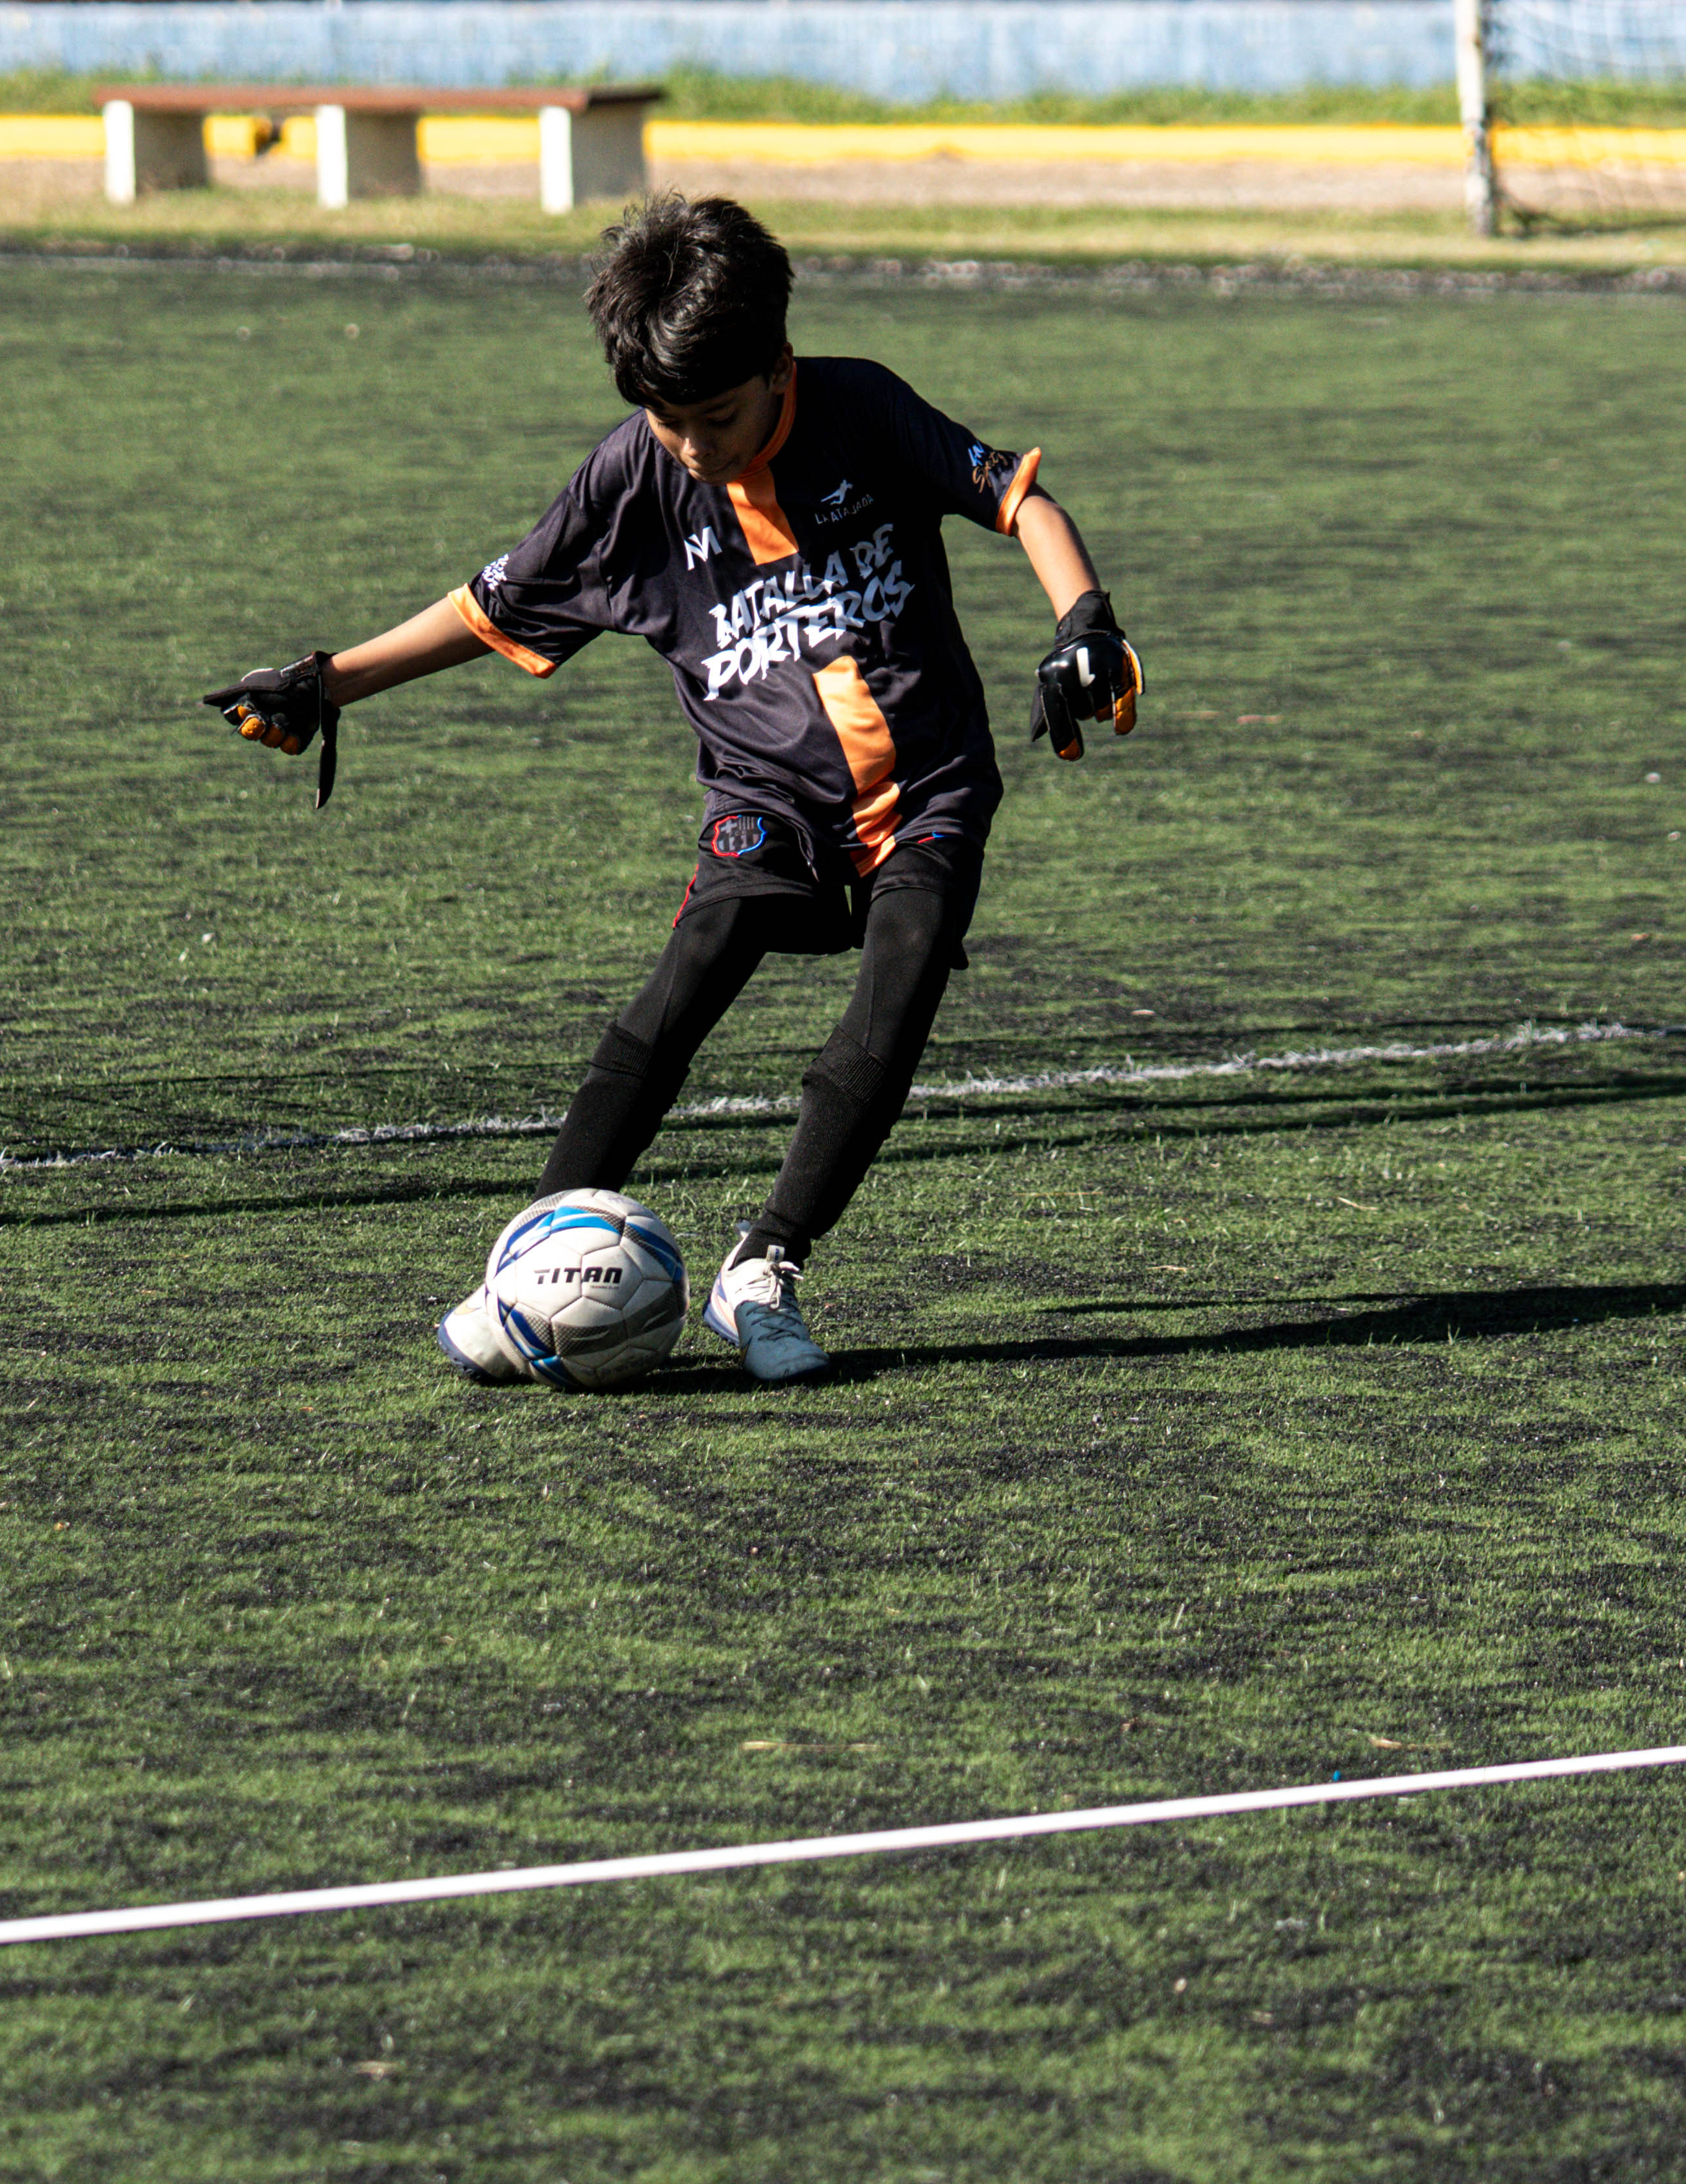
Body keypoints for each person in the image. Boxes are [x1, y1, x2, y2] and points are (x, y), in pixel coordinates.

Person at [201, 194, 1140, 1387]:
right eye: (667, 418)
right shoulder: (628, 481)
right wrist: (329, 682)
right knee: (697, 963)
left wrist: (1084, 621)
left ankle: (764, 1268)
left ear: (778, 362)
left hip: (931, 783)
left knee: (902, 975)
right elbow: (487, 609)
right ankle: (527, 1261)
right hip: (767, 794)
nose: (693, 443)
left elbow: (1019, 497)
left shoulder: (860, 405)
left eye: (719, 415)